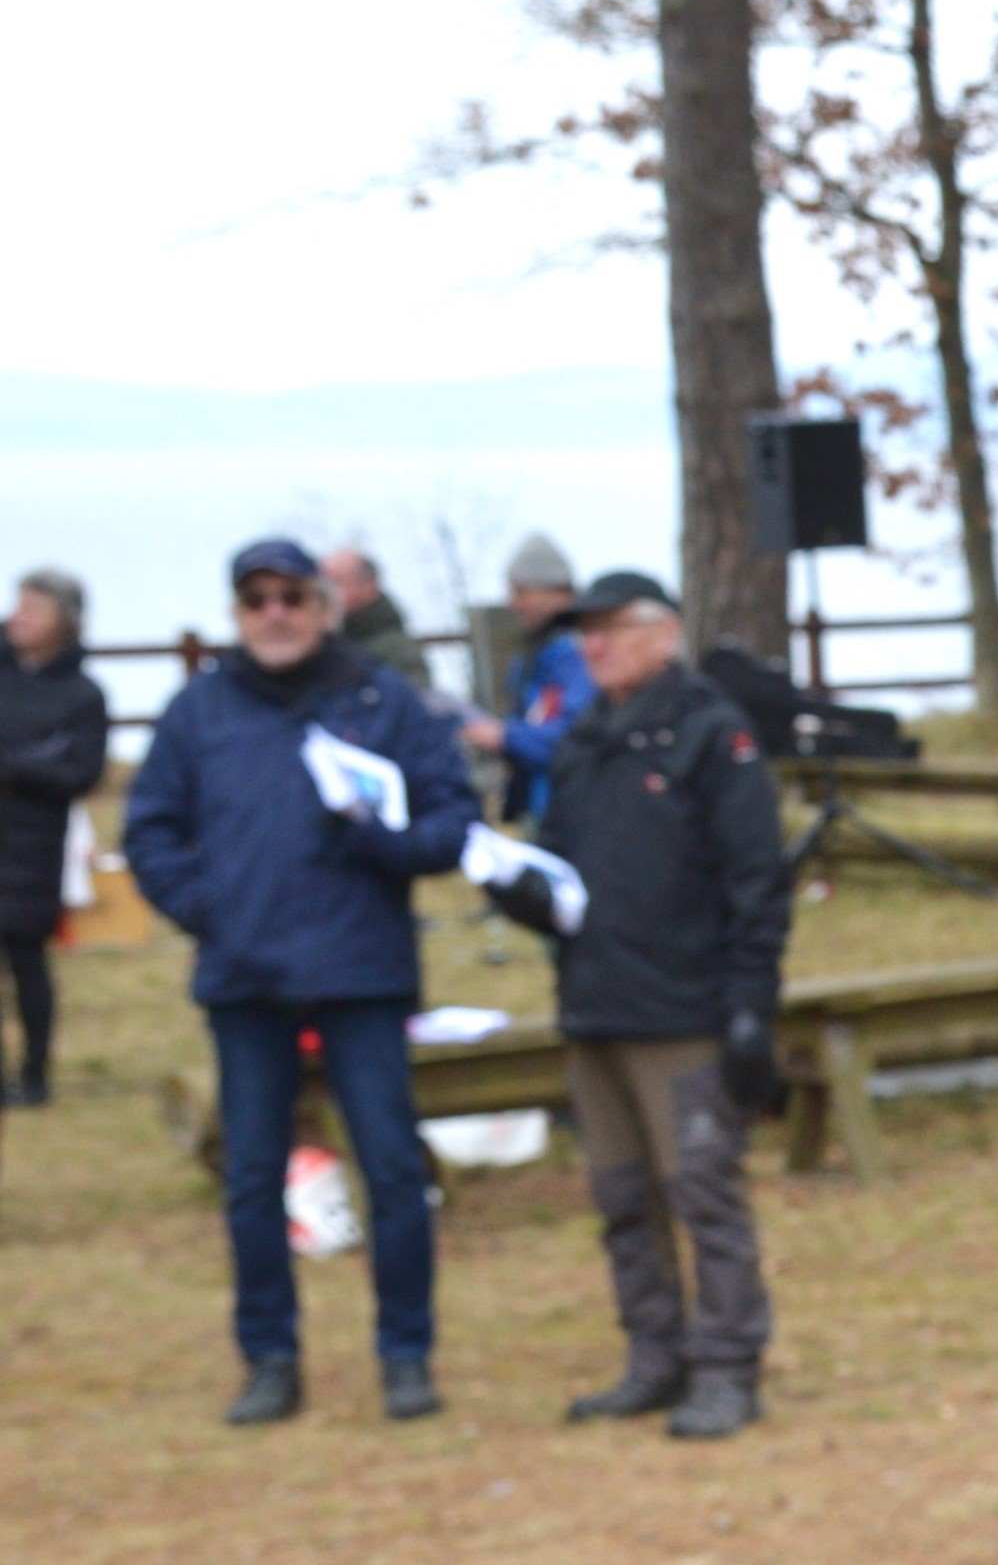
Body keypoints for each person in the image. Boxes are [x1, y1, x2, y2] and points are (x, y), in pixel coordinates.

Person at [121, 538, 479, 1424]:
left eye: (291, 597)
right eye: (255, 600)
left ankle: (405, 1355)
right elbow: (151, 831)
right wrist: (212, 909)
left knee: (393, 1171)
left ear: (323, 607)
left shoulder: (382, 702)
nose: (274, 613)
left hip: (363, 976)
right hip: (246, 980)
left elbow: (452, 820)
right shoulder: (198, 713)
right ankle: (270, 1359)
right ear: (237, 615)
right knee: (252, 1179)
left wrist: (381, 843)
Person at [509, 570, 790, 1441]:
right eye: (584, 634)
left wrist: (750, 1007)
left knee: (703, 1195)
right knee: (622, 1197)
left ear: (662, 633)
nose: (591, 648)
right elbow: (555, 860)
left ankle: (728, 1366)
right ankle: (653, 1357)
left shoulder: (713, 735)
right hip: (596, 1008)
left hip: (686, 1015)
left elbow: (758, 886)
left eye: (610, 630)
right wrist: (521, 890)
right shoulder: (584, 738)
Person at [1, 568, 112, 1105]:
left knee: (27, 961)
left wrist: (17, 771)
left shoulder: (82, 694)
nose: (19, 616)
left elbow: (82, 770)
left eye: (34, 608)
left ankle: (36, 1075)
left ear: (63, 622)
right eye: (18, 604)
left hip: (35, 844)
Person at [460, 533, 594, 824]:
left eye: (520, 591)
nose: (512, 604)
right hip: (541, 806)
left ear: (555, 590)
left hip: (569, 810)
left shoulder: (580, 654)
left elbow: (569, 739)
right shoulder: (536, 654)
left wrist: (503, 736)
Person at [322, 546, 433, 690]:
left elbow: (412, 704)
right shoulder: (319, 643)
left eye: (334, 583)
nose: (324, 594)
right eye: (320, 585)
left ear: (369, 586)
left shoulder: (396, 651)